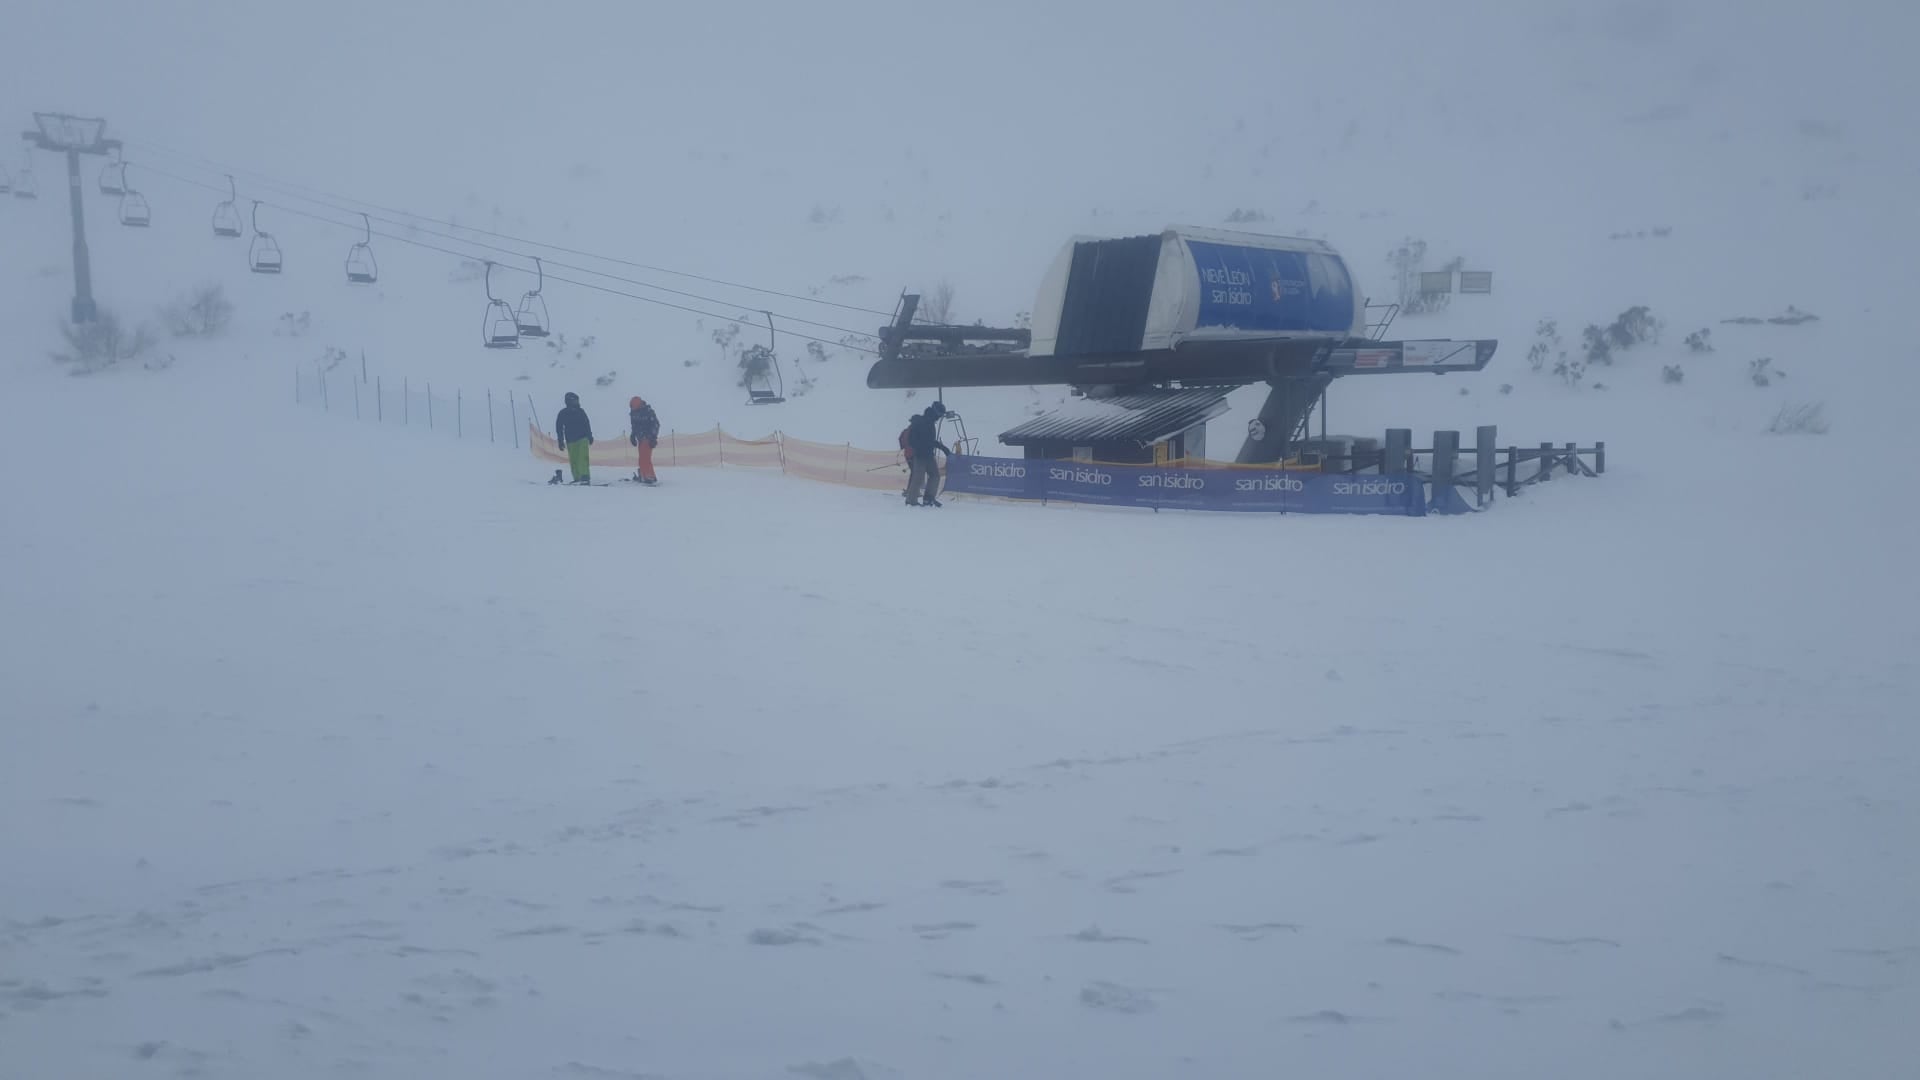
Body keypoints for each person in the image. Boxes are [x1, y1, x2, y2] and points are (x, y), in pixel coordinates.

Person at [903, 400, 952, 507]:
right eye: (939, 415)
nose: (939, 418)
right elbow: (912, 439)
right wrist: (918, 449)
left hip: (929, 455)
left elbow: (930, 441)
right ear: (935, 412)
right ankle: (911, 500)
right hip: (920, 455)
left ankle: (929, 498)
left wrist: (943, 448)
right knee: (918, 478)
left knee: (935, 475)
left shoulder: (930, 423)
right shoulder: (921, 422)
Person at [555, 392, 594, 485]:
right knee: (574, 459)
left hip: (582, 438)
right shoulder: (563, 413)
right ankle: (577, 477)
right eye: (575, 400)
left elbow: (586, 423)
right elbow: (559, 427)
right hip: (570, 440)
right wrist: (560, 440)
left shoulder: (580, 411)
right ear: (569, 401)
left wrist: (589, 435)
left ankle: (585, 476)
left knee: (582, 458)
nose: (577, 402)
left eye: (577, 400)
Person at [629, 395, 660, 485]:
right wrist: (633, 435)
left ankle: (649, 476)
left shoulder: (648, 412)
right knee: (642, 457)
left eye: (634, 407)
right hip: (640, 438)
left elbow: (656, 424)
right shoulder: (634, 413)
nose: (633, 409)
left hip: (648, 437)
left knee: (645, 457)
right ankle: (645, 474)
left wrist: (653, 437)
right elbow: (634, 425)